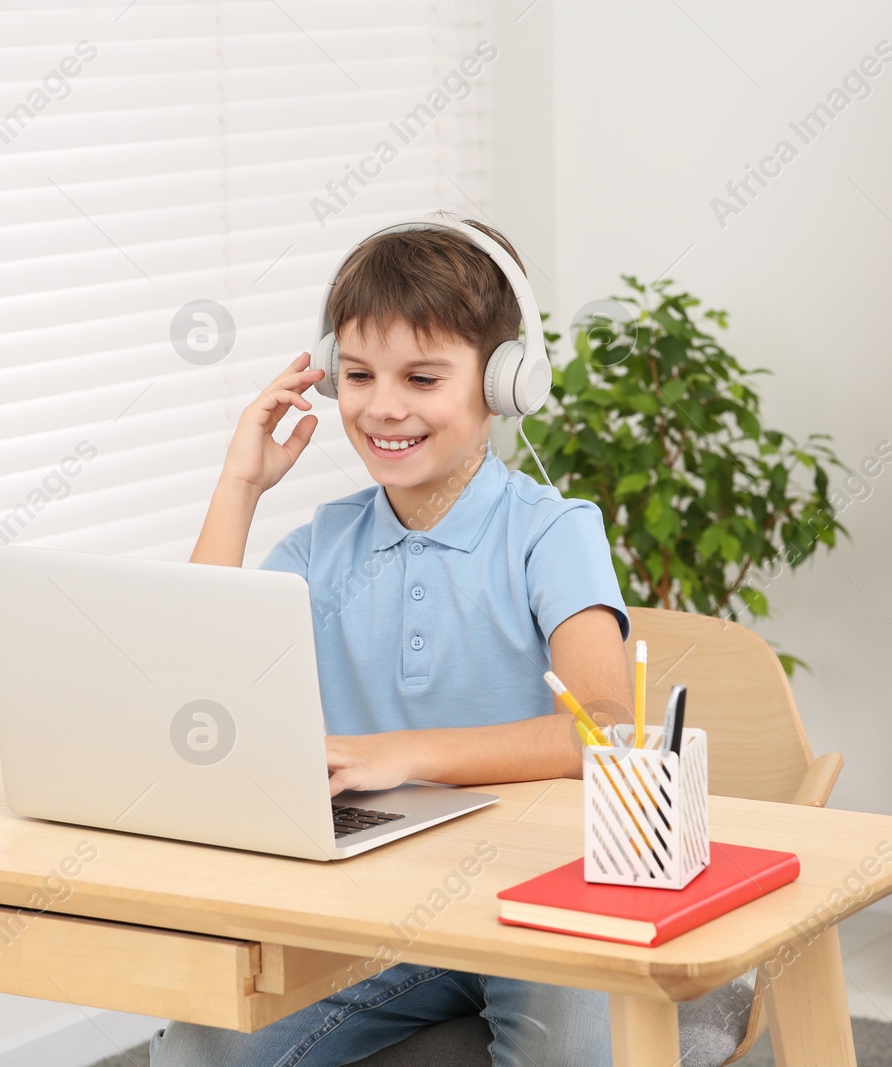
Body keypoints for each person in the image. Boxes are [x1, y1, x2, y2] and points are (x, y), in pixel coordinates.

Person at [152, 215, 633, 1066]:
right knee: (201, 1044)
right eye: (360, 375)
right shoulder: (320, 544)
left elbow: (600, 727)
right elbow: (198, 679)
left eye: (422, 376)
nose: (383, 405)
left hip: (542, 895)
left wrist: (401, 754)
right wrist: (240, 484)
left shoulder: (551, 533)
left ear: (507, 380)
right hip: (384, 905)